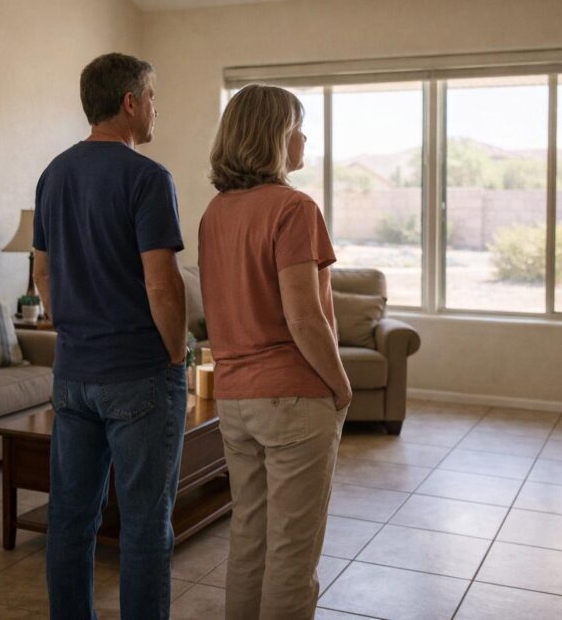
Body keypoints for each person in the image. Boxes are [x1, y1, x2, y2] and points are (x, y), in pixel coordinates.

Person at [32, 52, 188, 620]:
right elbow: (163, 287)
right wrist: (177, 354)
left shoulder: (53, 173)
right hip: (138, 374)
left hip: (72, 375)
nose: (154, 109)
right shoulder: (148, 177)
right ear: (129, 102)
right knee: (146, 525)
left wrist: (71, 327)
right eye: (151, 98)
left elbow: (42, 273)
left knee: (71, 520)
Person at [198, 84, 352, 620]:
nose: (304, 136)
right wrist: (340, 384)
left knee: (249, 539)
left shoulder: (215, 212)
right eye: (297, 125)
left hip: (235, 399)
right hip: (292, 395)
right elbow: (304, 317)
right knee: (292, 552)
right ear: (274, 136)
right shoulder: (294, 207)